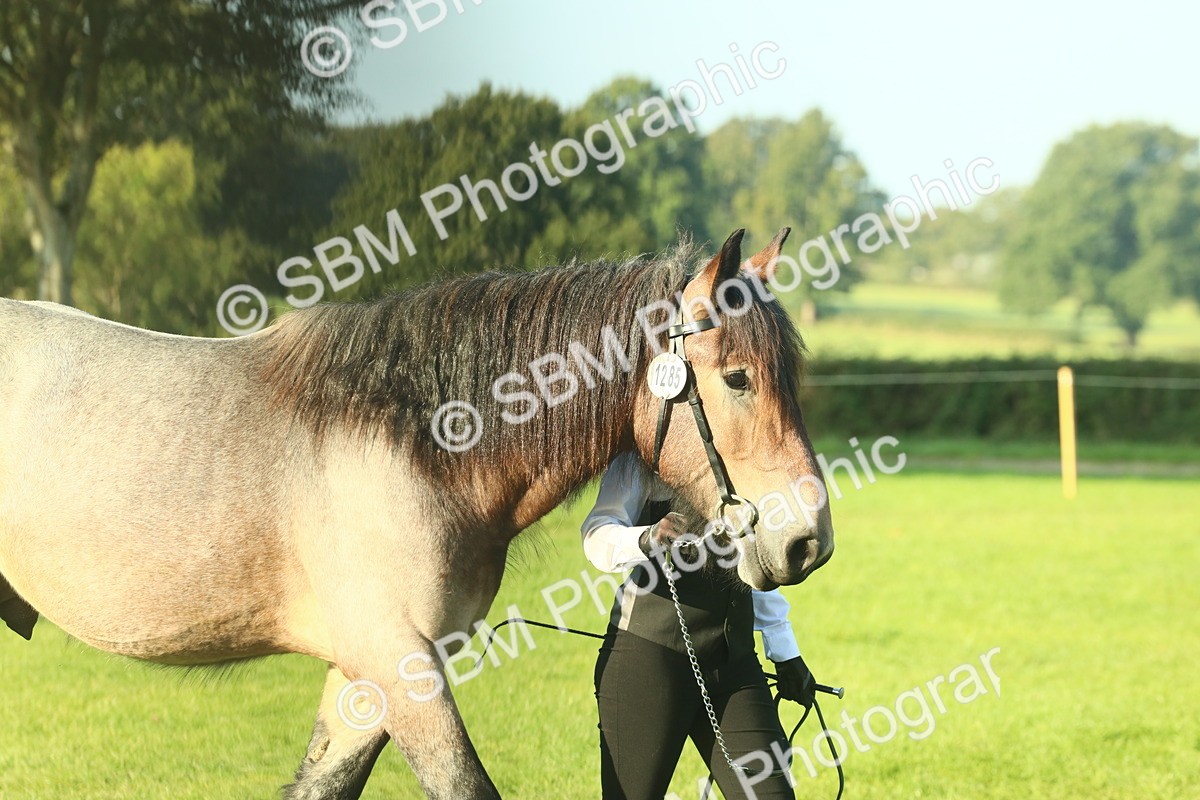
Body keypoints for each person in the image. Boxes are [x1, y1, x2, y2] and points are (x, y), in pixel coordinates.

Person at [582, 452, 816, 799]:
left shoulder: (746, 460)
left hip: (734, 668)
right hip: (647, 662)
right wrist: (645, 538)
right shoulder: (639, 458)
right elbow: (597, 533)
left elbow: (755, 563)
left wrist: (785, 653)